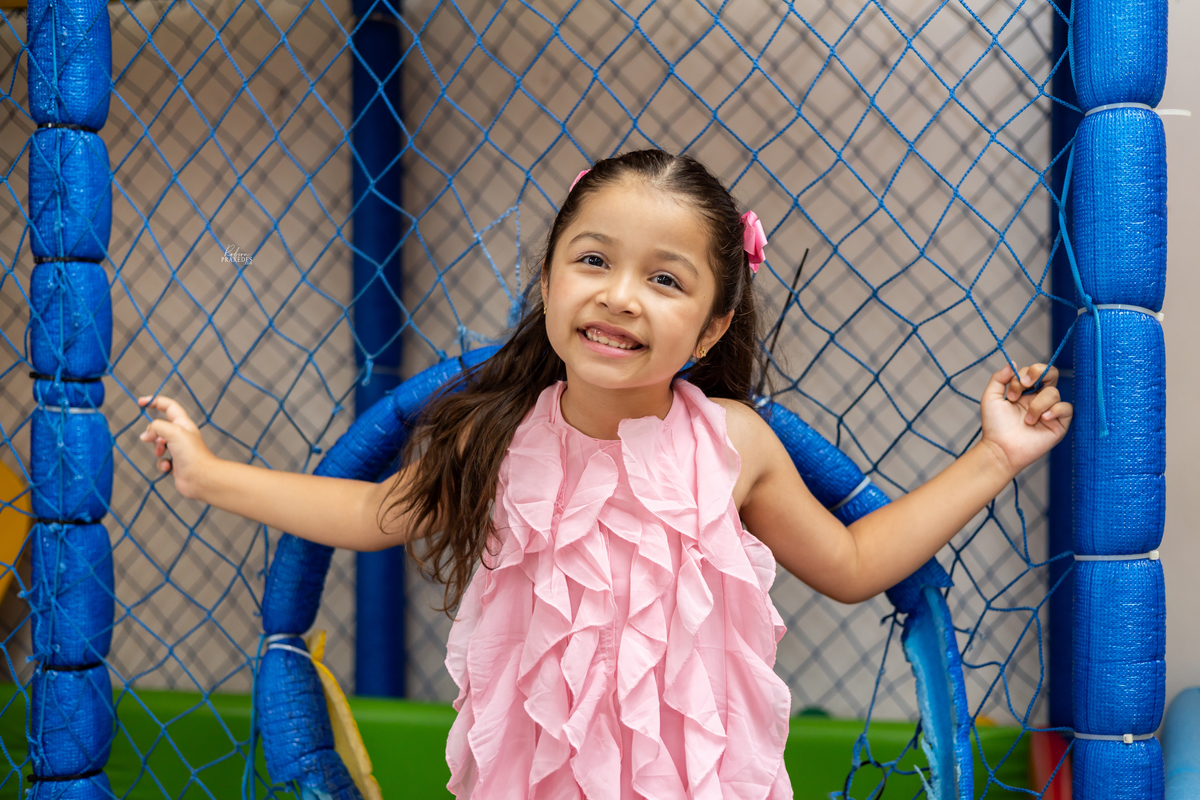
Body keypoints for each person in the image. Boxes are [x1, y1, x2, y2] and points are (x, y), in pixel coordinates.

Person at [137, 149, 1071, 799]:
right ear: (547, 284)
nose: (620, 295)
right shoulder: (498, 437)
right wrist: (212, 474)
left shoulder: (735, 444)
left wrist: (996, 455)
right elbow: (372, 510)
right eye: (593, 261)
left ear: (708, 330)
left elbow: (855, 562)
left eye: (665, 280)